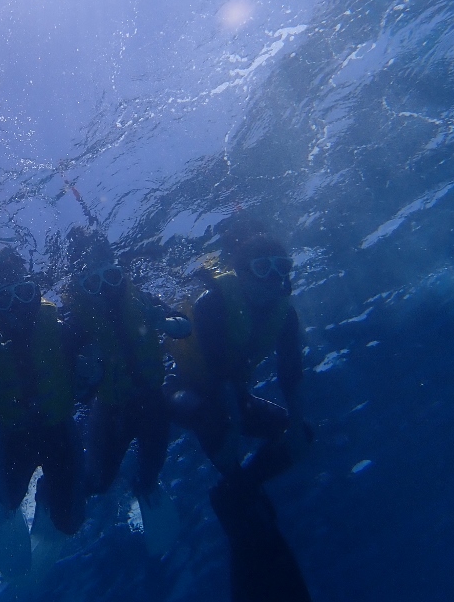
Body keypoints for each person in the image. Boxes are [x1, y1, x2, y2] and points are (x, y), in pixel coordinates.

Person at [165, 232, 312, 602]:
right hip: (187, 392)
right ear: (241, 273)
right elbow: (219, 373)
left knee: (302, 434)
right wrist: (230, 431)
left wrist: (294, 427)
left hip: (233, 396)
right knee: (212, 419)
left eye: (281, 269)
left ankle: (239, 488)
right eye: (262, 269)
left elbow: (290, 373)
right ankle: (238, 488)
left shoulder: (284, 313)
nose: (273, 279)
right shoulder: (212, 302)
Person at [61, 227, 190, 534]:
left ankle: (144, 488)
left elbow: (184, 327)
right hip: (110, 410)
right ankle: (55, 490)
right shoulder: (77, 321)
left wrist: (164, 321)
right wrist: (82, 371)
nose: (105, 288)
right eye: (94, 282)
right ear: (82, 285)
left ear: (119, 273)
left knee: (151, 471)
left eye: (111, 277)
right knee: (99, 481)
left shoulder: (142, 301)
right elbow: (70, 381)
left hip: (153, 401)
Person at [0, 247, 85, 539]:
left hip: (59, 430)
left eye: (24, 293)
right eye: (3, 299)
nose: (16, 307)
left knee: (70, 523)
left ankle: (45, 497)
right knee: (8, 500)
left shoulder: (60, 329)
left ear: (36, 293)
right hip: (13, 434)